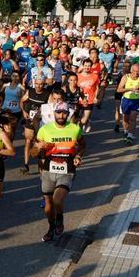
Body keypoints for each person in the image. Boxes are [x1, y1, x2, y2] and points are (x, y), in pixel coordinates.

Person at [30, 102, 85, 242]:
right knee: (48, 207)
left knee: (57, 200)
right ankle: (51, 227)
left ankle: (59, 218)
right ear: (54, 113)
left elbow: (83, 145)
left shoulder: (75, 129)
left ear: (68, 114)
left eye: (64, 113)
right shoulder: (44, 130)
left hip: (67, 171)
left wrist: (78, 156)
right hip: (48, 171)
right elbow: (33, 152)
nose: (61, 115)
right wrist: (39, 148)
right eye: (58, 112)